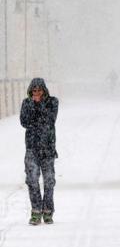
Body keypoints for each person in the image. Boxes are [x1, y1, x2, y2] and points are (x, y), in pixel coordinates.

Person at [20, 78, 59, 225]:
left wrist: (39, 105)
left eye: (39, 90)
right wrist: (33, 106)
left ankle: (48, 211)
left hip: (48, 149)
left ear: (44, 90)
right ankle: (36, 211)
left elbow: (49, 119)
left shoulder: (53, 102)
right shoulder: (26, 103)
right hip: (31, 148)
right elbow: (24, 122)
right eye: (34, 91)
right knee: (32, 181)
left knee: (49, 181)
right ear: (31, 91)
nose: (37, 93)